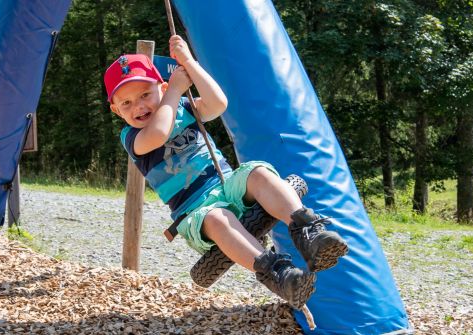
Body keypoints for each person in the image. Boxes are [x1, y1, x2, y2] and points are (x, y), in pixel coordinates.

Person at [103, 35, 348, 309]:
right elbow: (159, 134)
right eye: (126, 103)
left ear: (160, 86)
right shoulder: (132, 136)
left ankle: (308, 232)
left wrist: (189, 64)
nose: (139, 106)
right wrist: (172, 92)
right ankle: (279, 275)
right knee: (219, 218)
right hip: (196, 211)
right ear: (116, 110)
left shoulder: (185, 107)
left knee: (258, 172)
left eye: (146, 95)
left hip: (227, 183)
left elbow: (218, 103)